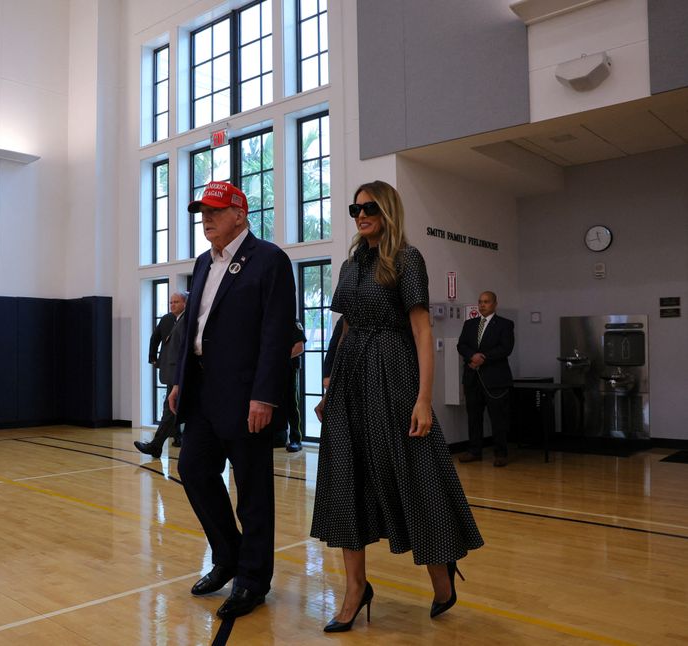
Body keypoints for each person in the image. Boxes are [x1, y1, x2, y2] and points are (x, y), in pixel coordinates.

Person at [311, 180, 483, 633]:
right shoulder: (349, 266)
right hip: (351, 378)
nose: (360, 214)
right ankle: (354, 588)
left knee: (414, 474)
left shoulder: (407, 259)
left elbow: (423, 330)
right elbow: (345, 327)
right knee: (346, 475)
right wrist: (329, 389)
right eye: (354, 208)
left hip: (394, 374)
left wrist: (424, 398)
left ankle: (441, 573)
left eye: (369, 208)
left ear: (387, 211)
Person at [168, 181, 296, 621]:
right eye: (202, 211)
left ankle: (253, 580)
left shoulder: (270, 260)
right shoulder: (204, 263)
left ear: (240, 214)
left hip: (246, 397)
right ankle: (228, 556)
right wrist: (181, 381)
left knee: (253, 491)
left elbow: (276, 334)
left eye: (215, 211)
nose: (206, 218)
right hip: (204, 391)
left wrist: (264, 395)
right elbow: (193, 329)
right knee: (192, 469)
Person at [457, 291, 515, 467]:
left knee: (497, 418)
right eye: (480, 302)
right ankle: (474, 450)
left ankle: (501, 453)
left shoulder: (505, 324)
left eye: (486, 302)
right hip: (472, 378)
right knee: (474, 416)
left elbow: (505, 348)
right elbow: (461, 345)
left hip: (495, 380)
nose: (482, 305)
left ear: (495, 304)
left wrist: (482, 357)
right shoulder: (469, 324)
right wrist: (471, 356)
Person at [136, 291, 188, 458]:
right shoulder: (167, 319)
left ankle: (156, 445)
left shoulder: (187, 320)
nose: (172, 305)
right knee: (171, 409)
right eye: (171, 302)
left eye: (176, 302)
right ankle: (161, 444)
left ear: (185, 303)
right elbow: (155, 338)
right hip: (170, 371)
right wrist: (153, 358)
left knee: (170, 409)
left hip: (179, 373)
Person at [283, 320, 308, 452]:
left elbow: (299, 347)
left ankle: (295, 439)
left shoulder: (293, 321)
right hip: (272, 369)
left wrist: (279, 358)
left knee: (292, 403)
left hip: (289, 368)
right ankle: (279, 437)